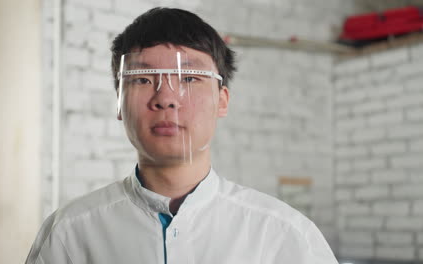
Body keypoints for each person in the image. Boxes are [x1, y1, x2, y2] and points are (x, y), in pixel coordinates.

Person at [25, 7, 338, 264]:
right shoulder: (68, 235)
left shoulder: (285, 236)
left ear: (223, 100)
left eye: (189, 77)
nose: (166, 98)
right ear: (119, 101)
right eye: (143, 79)